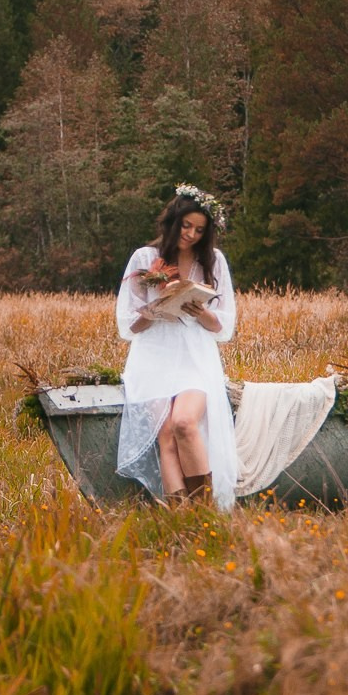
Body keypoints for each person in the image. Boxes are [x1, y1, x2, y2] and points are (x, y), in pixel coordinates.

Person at [115, 185, 238, 509]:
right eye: (187, 226)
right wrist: (156, 310)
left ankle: (204, 509)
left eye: (199, 230)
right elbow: (127, 323)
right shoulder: (145, 259)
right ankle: (184, 518)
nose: (192, 235)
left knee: (184, 422)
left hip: (195, 357)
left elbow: (223, 325)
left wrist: (201, 312)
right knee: (166, 433)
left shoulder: (214, 262)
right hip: (152, 355)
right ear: (174, 222)